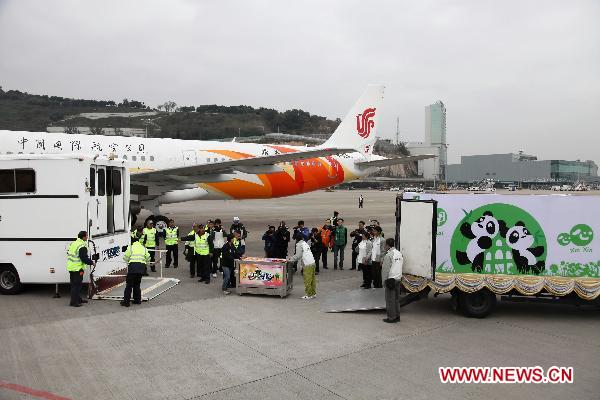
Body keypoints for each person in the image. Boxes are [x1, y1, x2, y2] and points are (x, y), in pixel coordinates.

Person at [66, 231, 95, 307]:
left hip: (71, 267)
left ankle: (78, 299)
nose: (87, 237)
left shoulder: (73, 243)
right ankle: (73, 302)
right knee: (77, 285)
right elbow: (84, 258)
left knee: (74, 285)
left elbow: (68, 252)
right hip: (77, 268)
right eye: (87, 236)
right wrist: (92, 262)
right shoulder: (82, 246)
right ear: (83, 237)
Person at [120, 236, 150, 307]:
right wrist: (145, 262)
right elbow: (148, 257)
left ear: (132, 242)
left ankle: (126, 302)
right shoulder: (144, 248)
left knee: (129, 285)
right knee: (137, 284)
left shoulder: (130, 248)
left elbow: (126, 257)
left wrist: (128, 262)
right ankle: (137, 300)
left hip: (133, 268)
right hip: (141, 268)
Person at [288, 231, 317, 299]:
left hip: (307, 264)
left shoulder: (299, 244)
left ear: (296, 239)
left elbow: (298, 255)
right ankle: (313, 293)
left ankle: (308, 294)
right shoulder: (305, 243)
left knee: (307, 280)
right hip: (312, 262)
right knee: (312, 279)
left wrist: (290, 259)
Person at [382, 238, 403, 323]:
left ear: (387, 245)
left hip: (391, 280)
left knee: (390, 300)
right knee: (397, 299)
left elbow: (385, 270)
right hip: (398, 278)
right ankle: (397, 316)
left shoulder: (388, 255)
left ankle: (391, 317)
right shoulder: (399, 253)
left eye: (385, 245)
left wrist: (384, 281)